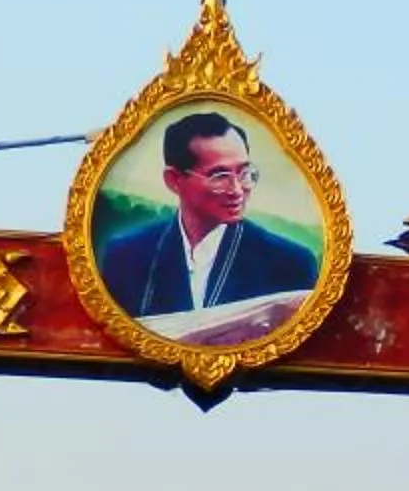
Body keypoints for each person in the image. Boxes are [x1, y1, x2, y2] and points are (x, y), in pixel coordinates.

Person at [93, 109, 322, 330]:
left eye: (244, 173)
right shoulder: (126, 256)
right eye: (220, 176)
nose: (237, 190)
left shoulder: (290, 264)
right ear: (174, 180)